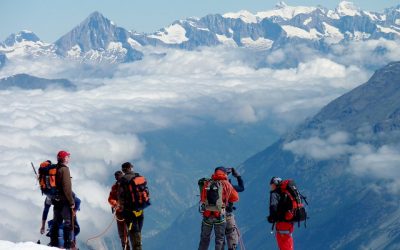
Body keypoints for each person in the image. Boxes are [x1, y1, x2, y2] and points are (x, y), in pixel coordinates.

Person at [198, 166, 239, 250]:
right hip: (219, 216)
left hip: (207, 216)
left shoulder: (208, 183)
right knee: (219, 239)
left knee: (204, 239)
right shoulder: (227, 184)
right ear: (224, 173)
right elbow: (235, 198)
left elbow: (202, 199)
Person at [118, 162, 150, 250]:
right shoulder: (138, 176)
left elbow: (120, 196)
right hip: (140, 209)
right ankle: (138, 246)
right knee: (138, 231)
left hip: (129, 211)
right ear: (131, 168)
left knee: (133, 232)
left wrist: (121, 206)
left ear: (124, 170)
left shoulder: (124, 180)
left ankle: (137, 247)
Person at [49, 150, 75, 249]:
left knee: (56, 222)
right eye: (67, 157)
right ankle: (67, 246)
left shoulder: (56, 167)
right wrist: (71, 202)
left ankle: (53, 244)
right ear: (64, 158)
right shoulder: (65, 169)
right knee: (68, 223)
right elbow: (67, 187)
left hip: (56, 200)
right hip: (64, 201)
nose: (69, 158)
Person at [268, 177, 294, 250]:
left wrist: (271, 217)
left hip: (282, 224)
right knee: (288, 244)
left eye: (272, 184)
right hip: (290, 223)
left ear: (275, 184)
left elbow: (273, 207)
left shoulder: (274, 194)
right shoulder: (285, 193)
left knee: (284, 245)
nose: (270, 186)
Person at [108, 170, 130, 250]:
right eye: (116, 178)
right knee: (122, 232)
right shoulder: (115, 187)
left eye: (118, 177)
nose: (117, 179)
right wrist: (115, 204)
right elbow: (111, 198)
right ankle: (125, 247)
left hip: (128, 212)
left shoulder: (128, 186)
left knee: (129, 231)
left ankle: (130, 247)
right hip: (120, 213)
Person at [224, 168, 244, 250]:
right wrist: (238, 176)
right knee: (231, 235)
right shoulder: (230, 187)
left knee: (219, 238)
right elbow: (241, 187)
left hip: (215, 216)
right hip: (228, 215)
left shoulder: (214, 186)